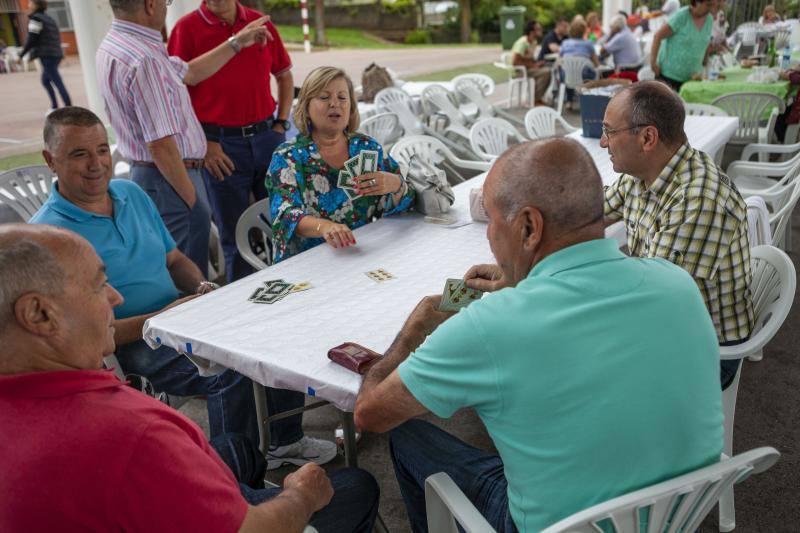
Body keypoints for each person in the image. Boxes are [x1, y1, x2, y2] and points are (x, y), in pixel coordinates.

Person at [353, 137, 724, 532]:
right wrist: (522, 284)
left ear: (529, 226)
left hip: (560, 524)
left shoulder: (487, 327)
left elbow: (370, 413)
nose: (490, 236)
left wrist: (416, 327)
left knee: (408, 437)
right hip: (675, 514)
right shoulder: (675, 283)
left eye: (492, 221)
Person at [0, 224, 380, 532]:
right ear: (39, 314)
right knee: (355, 486)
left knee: (237, 447)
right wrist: (301, 496)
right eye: (98, 285)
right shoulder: (132, 434)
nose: (114, 298)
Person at [30, 106, 337, 469]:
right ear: (51, 160)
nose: (96, 163)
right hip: (131, 345)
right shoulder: (48, 237)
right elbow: (88, 335)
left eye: (100, 149)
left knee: (276, 328)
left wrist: (206, 287)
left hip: (181, 314)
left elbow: (174, 260)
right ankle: (233, 474)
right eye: (79, 154)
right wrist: (163, 317)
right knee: (229, 370)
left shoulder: (129, 193)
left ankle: (282, 442)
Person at [97, 0, 270, 277]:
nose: (167, 8)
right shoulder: (145, 59)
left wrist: (238, 41)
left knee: (180, 270)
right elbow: (161, 143)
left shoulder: (118, 44)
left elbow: (188, 72)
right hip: (172, 178)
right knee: (187, 278)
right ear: (150, 5)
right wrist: (193, 201)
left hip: (157, 176)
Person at [600, 81, 753, 389]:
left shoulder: (700, 199)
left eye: (609, 131)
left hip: (706, 351)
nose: (603, 143)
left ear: (647, 138)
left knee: (573, 364)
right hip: (665, 318)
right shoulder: (646, 172)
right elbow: (589, 212)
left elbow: (651, 302)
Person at [168, 0, 295, 281]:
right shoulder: (185, 29)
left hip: (266, 138)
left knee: (286, 223)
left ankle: (295, 289)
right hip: (220, 146)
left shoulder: (259, 22)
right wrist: (204, 143)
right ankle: (243, 312)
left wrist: (281, 123)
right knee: (235, 236)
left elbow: (284, 75)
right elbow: (175, 92)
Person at [267, 66, 415, 262]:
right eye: (324, 97)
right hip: (308, 263)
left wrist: (396, 185)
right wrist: (324, 227)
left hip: (363, 253)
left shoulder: (366, 148)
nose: (334, 104)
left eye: (342, 98)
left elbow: (404, 199)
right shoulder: (287, 157)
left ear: (351, 107)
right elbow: (285, 215)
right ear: (306, 107)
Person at [19, 0, 71, 112]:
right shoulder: (49, 18)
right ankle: (54, 106)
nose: (29, 5)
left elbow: (32, 38)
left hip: (47, 55)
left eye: (30, 3)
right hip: (56, 54)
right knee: (45, 81)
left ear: (36, 5)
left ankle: (68, 108)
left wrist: (22, 54)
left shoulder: (36, 19)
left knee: (57, 81)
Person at [650, 0, 714, 91]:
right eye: (708, 5)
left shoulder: (709, 19)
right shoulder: (681, 16)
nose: (710, 8)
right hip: (669, 77)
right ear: (696, 2)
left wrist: (705, 60)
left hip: (692, 79)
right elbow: (657, 37)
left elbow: (706, 41)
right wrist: (653, 64)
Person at [510, 20, 552, 104]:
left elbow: (529, 58)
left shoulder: (533, 42)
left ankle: (534, 98)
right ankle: (535, 100)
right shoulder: (522, 43)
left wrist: (536, 64)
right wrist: (533, 65)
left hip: (528, 68)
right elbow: (515, 62)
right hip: (519, 71)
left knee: (549, 69)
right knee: (546, 72)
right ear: (532, 32)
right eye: (538, 29)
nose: (541, 30)